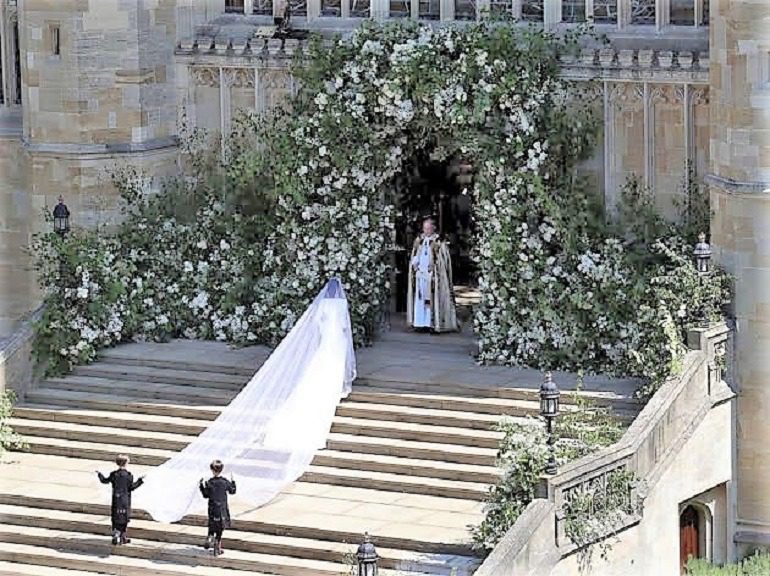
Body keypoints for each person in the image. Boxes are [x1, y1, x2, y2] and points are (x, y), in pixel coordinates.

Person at [407, 216, 459, 333]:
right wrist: (415, 264)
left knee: (431, 300)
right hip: (420, 273)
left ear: (433, 228)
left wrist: (435, 266)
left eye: (428, 229)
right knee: (420, 298)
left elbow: (443, 259)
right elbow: (415, 253)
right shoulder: (419, 240)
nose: (426, 231)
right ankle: (420, 323)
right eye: (424, 228)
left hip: (433, 275)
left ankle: (432, 323)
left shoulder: (439, 242)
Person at [96, 454, 144, 545]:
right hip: (125, 500)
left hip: (116, 499)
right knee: (124, 518)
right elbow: (132, 487)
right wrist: (140, 481)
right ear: (126, 463)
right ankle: (122, 536)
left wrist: (99, 474)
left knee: (115, 517)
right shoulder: (129, 475)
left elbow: (104, 481)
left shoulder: (114, 474)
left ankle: (115, 534)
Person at [199, 460, 237, 556]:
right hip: (222, 508)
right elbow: (232, 491)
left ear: (212, 470)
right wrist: (233, 481)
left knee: (212, 523)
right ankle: (217, 546)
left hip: (212, 507)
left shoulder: (210, 482)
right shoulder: (225, 482)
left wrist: (201, 485)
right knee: (220, 527)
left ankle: (210, 536)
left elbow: (205, 495)